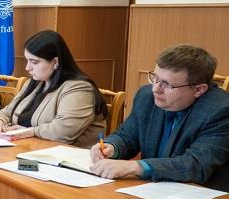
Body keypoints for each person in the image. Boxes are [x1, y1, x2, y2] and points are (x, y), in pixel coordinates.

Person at [90, 44, 229, 190]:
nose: (155, 89)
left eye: (167, 84)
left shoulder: (220, 111)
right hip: (152, 190)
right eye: (155, 78)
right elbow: (127, 136)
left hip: (202, 195)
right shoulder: (146, 96)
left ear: (198, 90)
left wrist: (136, 166)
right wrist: (112, 147)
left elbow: (196, 165)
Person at [0, 30, 106, 146]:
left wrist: (30, 131)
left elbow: (63, 131)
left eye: (34, 62)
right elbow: (7, 112)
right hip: (31, 149)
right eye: (27, 60)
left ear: (55, 62)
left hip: (67, 155)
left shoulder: (79, 89)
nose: (27, 68)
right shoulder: (35, 83)